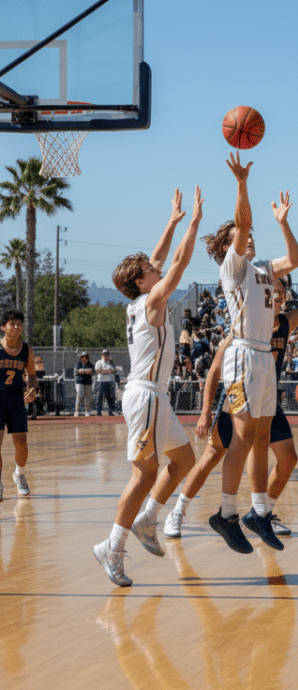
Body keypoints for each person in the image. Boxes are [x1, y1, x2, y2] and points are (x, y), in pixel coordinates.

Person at [163, 244, 298, 541]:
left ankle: (263, 512)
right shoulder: (242, 327)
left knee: (288, 458)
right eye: (272, 291)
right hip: (238, 394)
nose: (276, 295)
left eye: (279, 291)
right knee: (213, 454)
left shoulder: (285, 323)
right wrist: (204, 412)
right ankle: (179, 510)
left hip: (267, 397)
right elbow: (215, 370)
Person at [93, 187, 202, 586]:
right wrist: (192, 223)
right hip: (145, 396)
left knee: (185, 460)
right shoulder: (153, 300)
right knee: (143, 475)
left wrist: (171, 222)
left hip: (154, 396)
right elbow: (177, 261)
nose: (155, 269)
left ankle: (148, 520)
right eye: (149, 270)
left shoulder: (138, 301)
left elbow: (157, 260)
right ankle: (113, 547)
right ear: (142, 282)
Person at [199, 152, 298, 554]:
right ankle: (225, 514)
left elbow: (294, 259)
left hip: (264, 359)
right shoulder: (234, 268)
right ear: (228, 248)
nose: (249, 235)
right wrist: (241, 182)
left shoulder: (262, 268)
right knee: (241, 436)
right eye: (241, 236)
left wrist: (283, 223)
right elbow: (242, 223)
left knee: (261, 437)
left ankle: (258, 512)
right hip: (242, 354)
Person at [0, 310, 38, 500]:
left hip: (16, 399)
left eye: (19, 324)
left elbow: (32, 375)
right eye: (12, 324)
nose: (16, 327)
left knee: (21, 443)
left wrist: (31, 388)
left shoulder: (27, 350)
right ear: (3, 327)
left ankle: (19, 475)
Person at [94, 350, 119, 416]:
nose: (105, 356)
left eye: (107, 354)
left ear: (109, 355)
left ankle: (110, 411)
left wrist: (106, 371)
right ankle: (99, 412)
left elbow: (114, 370)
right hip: (101, 382)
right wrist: (108, 371)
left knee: (109, 397)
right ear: (102, 355)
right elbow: (98, 370)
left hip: (109, 382)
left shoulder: (111, 363)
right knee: (100, 397)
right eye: (104, 354)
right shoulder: (99, 362)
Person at [73, 352, 94, 417]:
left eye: (86, 357)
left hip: (88, 382)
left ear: (88, 358)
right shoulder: (78, 364)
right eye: (82, 357)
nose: (84, 359)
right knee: (79, 395)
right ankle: (76, 411)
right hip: (79, 382)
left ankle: (87, 411)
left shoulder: (90, 364)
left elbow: (91, 371)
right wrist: (86, 371)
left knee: (87, 397)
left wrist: (83, 371)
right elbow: (77, 371)